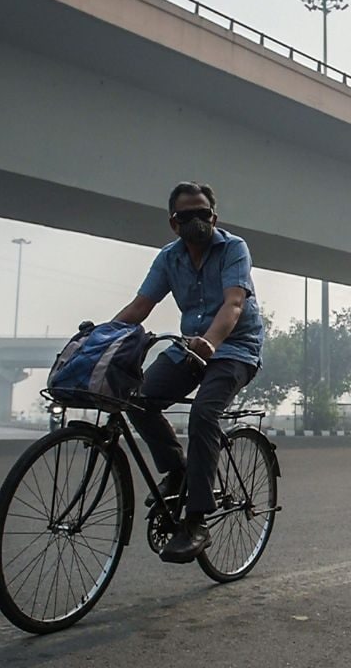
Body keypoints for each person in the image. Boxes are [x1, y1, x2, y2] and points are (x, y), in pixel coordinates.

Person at [114, 181, 264, 564]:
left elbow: (233, 304)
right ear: (173, 223)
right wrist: (102, 339)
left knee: (204, 414)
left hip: (234, 348)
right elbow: (141, 306)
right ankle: (177, 471)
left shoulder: (234, 249)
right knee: (138, 398)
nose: (196, 221)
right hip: (192, 346)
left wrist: (211, 342)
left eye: (202, 214)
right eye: (186, 216)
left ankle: (196, 521)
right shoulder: (169, 258)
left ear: (214, 217)